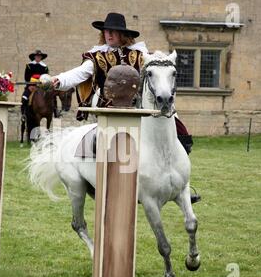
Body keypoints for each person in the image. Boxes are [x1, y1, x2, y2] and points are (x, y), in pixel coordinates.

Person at [51, 12, 201, 203]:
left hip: (140, 109)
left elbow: (159, 68)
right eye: (106, 31)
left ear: (123, 34)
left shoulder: (140, 55)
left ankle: (181, 184)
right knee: (101, 142)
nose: (109, 34)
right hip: (111, 109)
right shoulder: (97, 57)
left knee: (179, 129)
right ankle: (104, 181)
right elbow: (79, 74)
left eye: (113, 31)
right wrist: (59, 80)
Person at [21, 50, 60, 120]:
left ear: (41, 57)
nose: (38, 58)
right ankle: (23, 113)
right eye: (37, 56)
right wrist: (31, 84)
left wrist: (43, 84)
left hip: (42, 86)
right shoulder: (29, 65)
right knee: (24, 97)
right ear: (34, 57)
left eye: (39, 56)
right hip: (31, 85)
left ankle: (55, 111)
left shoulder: (44, 67)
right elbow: (26, 77)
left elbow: (46, 77)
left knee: (53, 95)